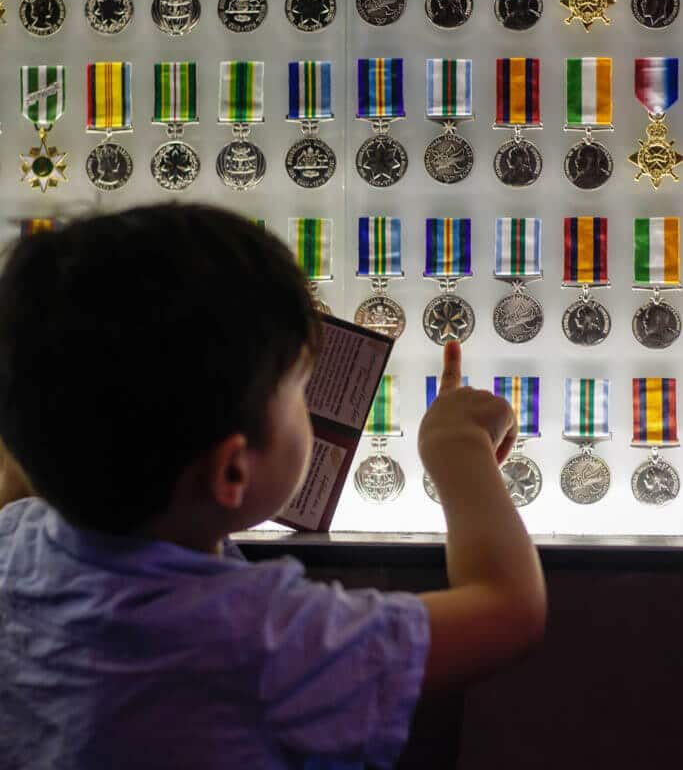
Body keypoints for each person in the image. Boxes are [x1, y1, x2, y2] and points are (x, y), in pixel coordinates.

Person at [0, 204, 546, 770]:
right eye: (299, 389)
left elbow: (19, 476)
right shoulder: (267, 639)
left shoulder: (13, 542)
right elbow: (509, 611)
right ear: (233, 472)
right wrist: (457, 448)